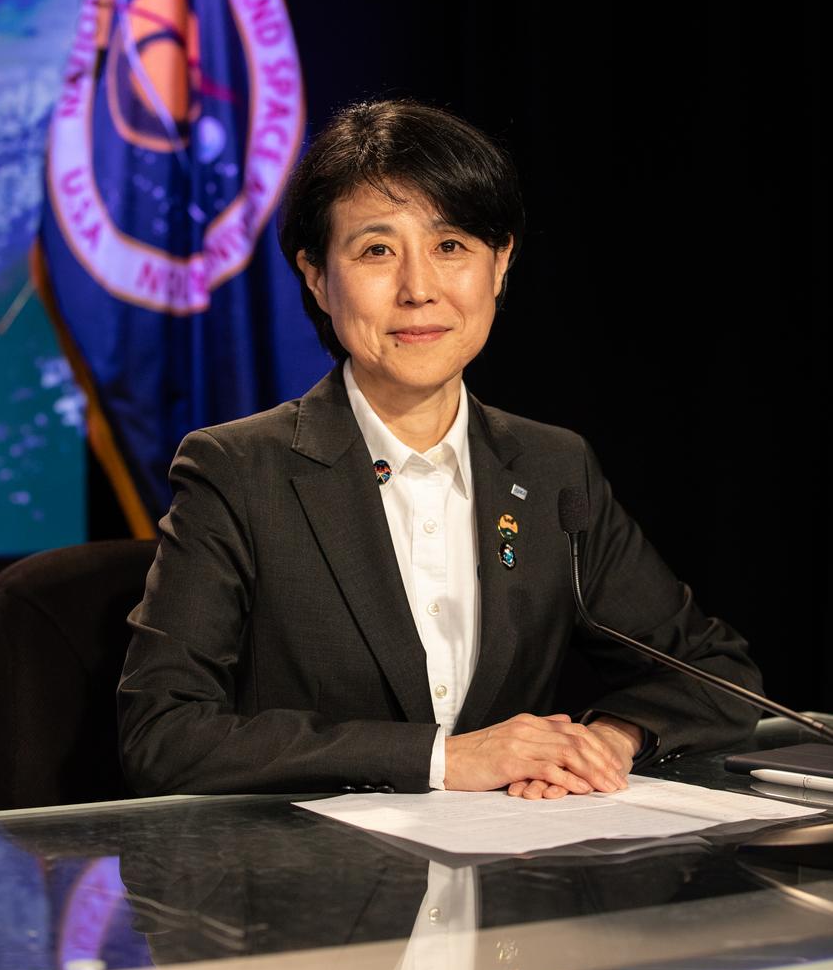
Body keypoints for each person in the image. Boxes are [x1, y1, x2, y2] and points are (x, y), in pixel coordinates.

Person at [117, 100, 763, 800]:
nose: (418, 289)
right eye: (376, 251)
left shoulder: (550, 468)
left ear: (500, 262)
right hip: (302, 890)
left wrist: (605, 739)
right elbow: (165, 733)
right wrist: (440, 760)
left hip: (509, 888)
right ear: (315, 276)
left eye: (450, 246)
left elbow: (715, 672)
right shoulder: (238, 471)